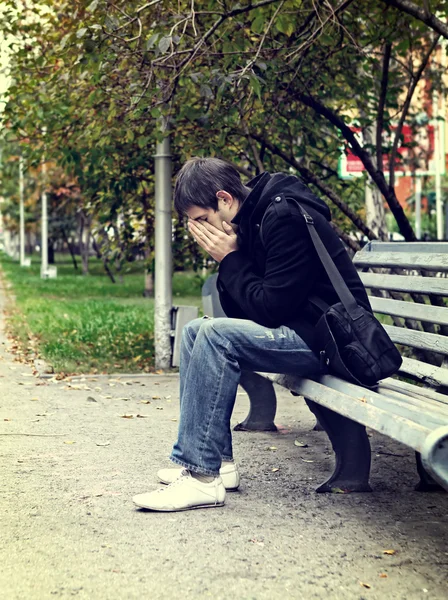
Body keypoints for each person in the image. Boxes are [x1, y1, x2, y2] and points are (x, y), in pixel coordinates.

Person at [133, 157, 370, 512]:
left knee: (214, 335)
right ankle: (218, 463)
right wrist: (231, 257)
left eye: (202, 220)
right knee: (197, 331)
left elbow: (270, 309)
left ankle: (201, 479)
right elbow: (248, 311)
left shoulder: (283, 218)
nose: (202, 231)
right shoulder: (252, 220)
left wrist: (230, 259)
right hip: (301, 330)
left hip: (331, 342)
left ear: (224, 199)